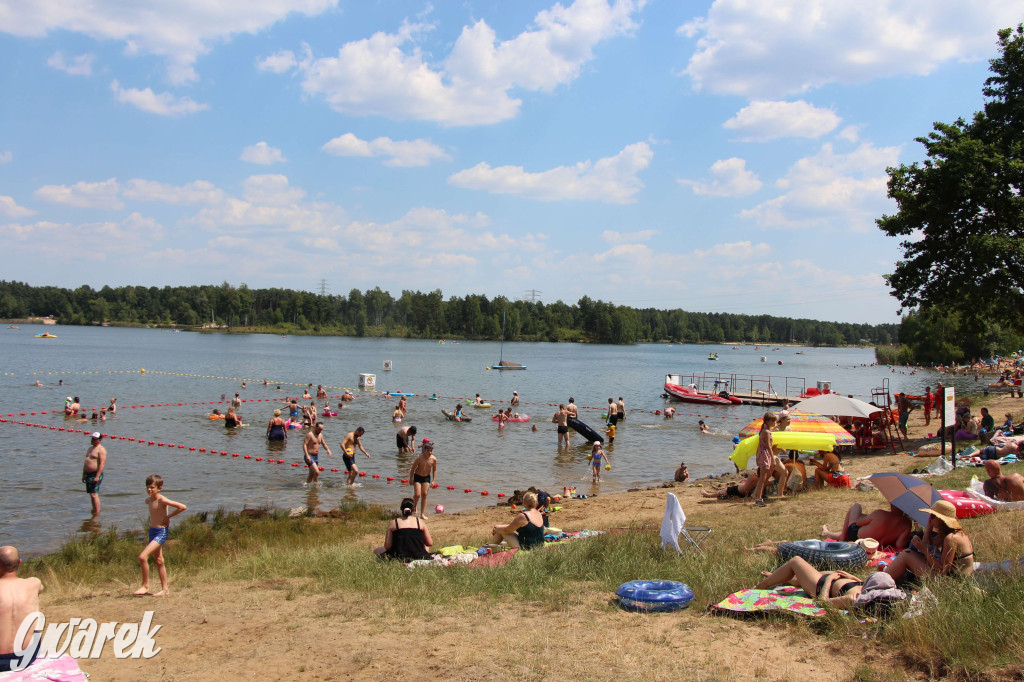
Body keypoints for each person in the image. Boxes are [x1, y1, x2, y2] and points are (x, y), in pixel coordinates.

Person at [755, 556, 905, 611]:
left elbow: (823, 602)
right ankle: (787, 579)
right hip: (836, 580)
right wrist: (852, 578)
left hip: (819, 586)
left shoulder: (853, 598)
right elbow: (864, 585)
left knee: (796, 561)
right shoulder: (872, 590)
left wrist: (829, 580)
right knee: (803, 575)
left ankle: (762, 586)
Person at [885, 500, 974, 582]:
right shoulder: (954, 533)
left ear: (941, 519)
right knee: (909, 553)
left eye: (933, 516)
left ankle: (882, 580)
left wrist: (924, 550)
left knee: (906, 555)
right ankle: (886, 577)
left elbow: (942, 570)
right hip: (952, 578)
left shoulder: (950, 538)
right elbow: (927, 544)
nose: (931, 518)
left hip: (952, 583)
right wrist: (929, 525)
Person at [134, 475, 187, 597]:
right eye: (148, 487)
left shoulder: (162, 500)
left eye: (152, 487)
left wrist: (168, 517)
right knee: (159, 561)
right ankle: (165, 589)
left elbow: (182, 507)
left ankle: (145, 586)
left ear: (159, 488)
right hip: (152, 531)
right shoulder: (149, 500)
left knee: (142, 557)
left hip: (161, 532)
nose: (149, 490)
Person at [0, 546, 44, 673]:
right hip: (26, 657)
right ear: (20, 563)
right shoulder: (33, 583)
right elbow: (40, 590)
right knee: (33, 605)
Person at [822, 503, 912, 548]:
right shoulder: (907, 523)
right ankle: (827, 533)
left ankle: (841, 541)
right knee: (846, 534)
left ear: (891, 505)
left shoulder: (880, 514)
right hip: (872, 545)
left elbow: (858, 522)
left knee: (855, 506)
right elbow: (899, 544)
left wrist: (866, 516)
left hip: (856, 537)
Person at [752, 412, 787, 507]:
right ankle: (758, 498)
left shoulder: (764, 430)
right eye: (773, 421)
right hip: (765, 455)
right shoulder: (767, 432)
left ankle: (757, 496)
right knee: (763, 478)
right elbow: (768, 446)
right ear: (768, 421)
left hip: (763, 454)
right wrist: (772, 458)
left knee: (763, 478)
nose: (774, 423)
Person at [410, 439, 437, 519]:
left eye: (431, 451)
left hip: (426, 477)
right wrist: (411, 479)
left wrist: (433, 480)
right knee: (417, 494)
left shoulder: (434, 459)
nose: (429, 452)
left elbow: (434, 469)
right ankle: (413, 507)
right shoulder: (419, 458)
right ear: (424, 450)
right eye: (428, 451)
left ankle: (422, 514)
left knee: (424, 494)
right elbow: (413, 468)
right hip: (418, 477)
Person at [82, 432, 107, 517]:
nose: (92, 440)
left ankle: (97, 513)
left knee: (94, 494)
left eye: (94, 439)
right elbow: (86, 462)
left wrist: (97, 476)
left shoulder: (101, 450)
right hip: (88, 474)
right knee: (91, 495)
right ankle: (94, 512)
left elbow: (102, 464)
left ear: (99, 440)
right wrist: (83, 474)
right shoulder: (90, 448)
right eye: (92, 438)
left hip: (95, 474)